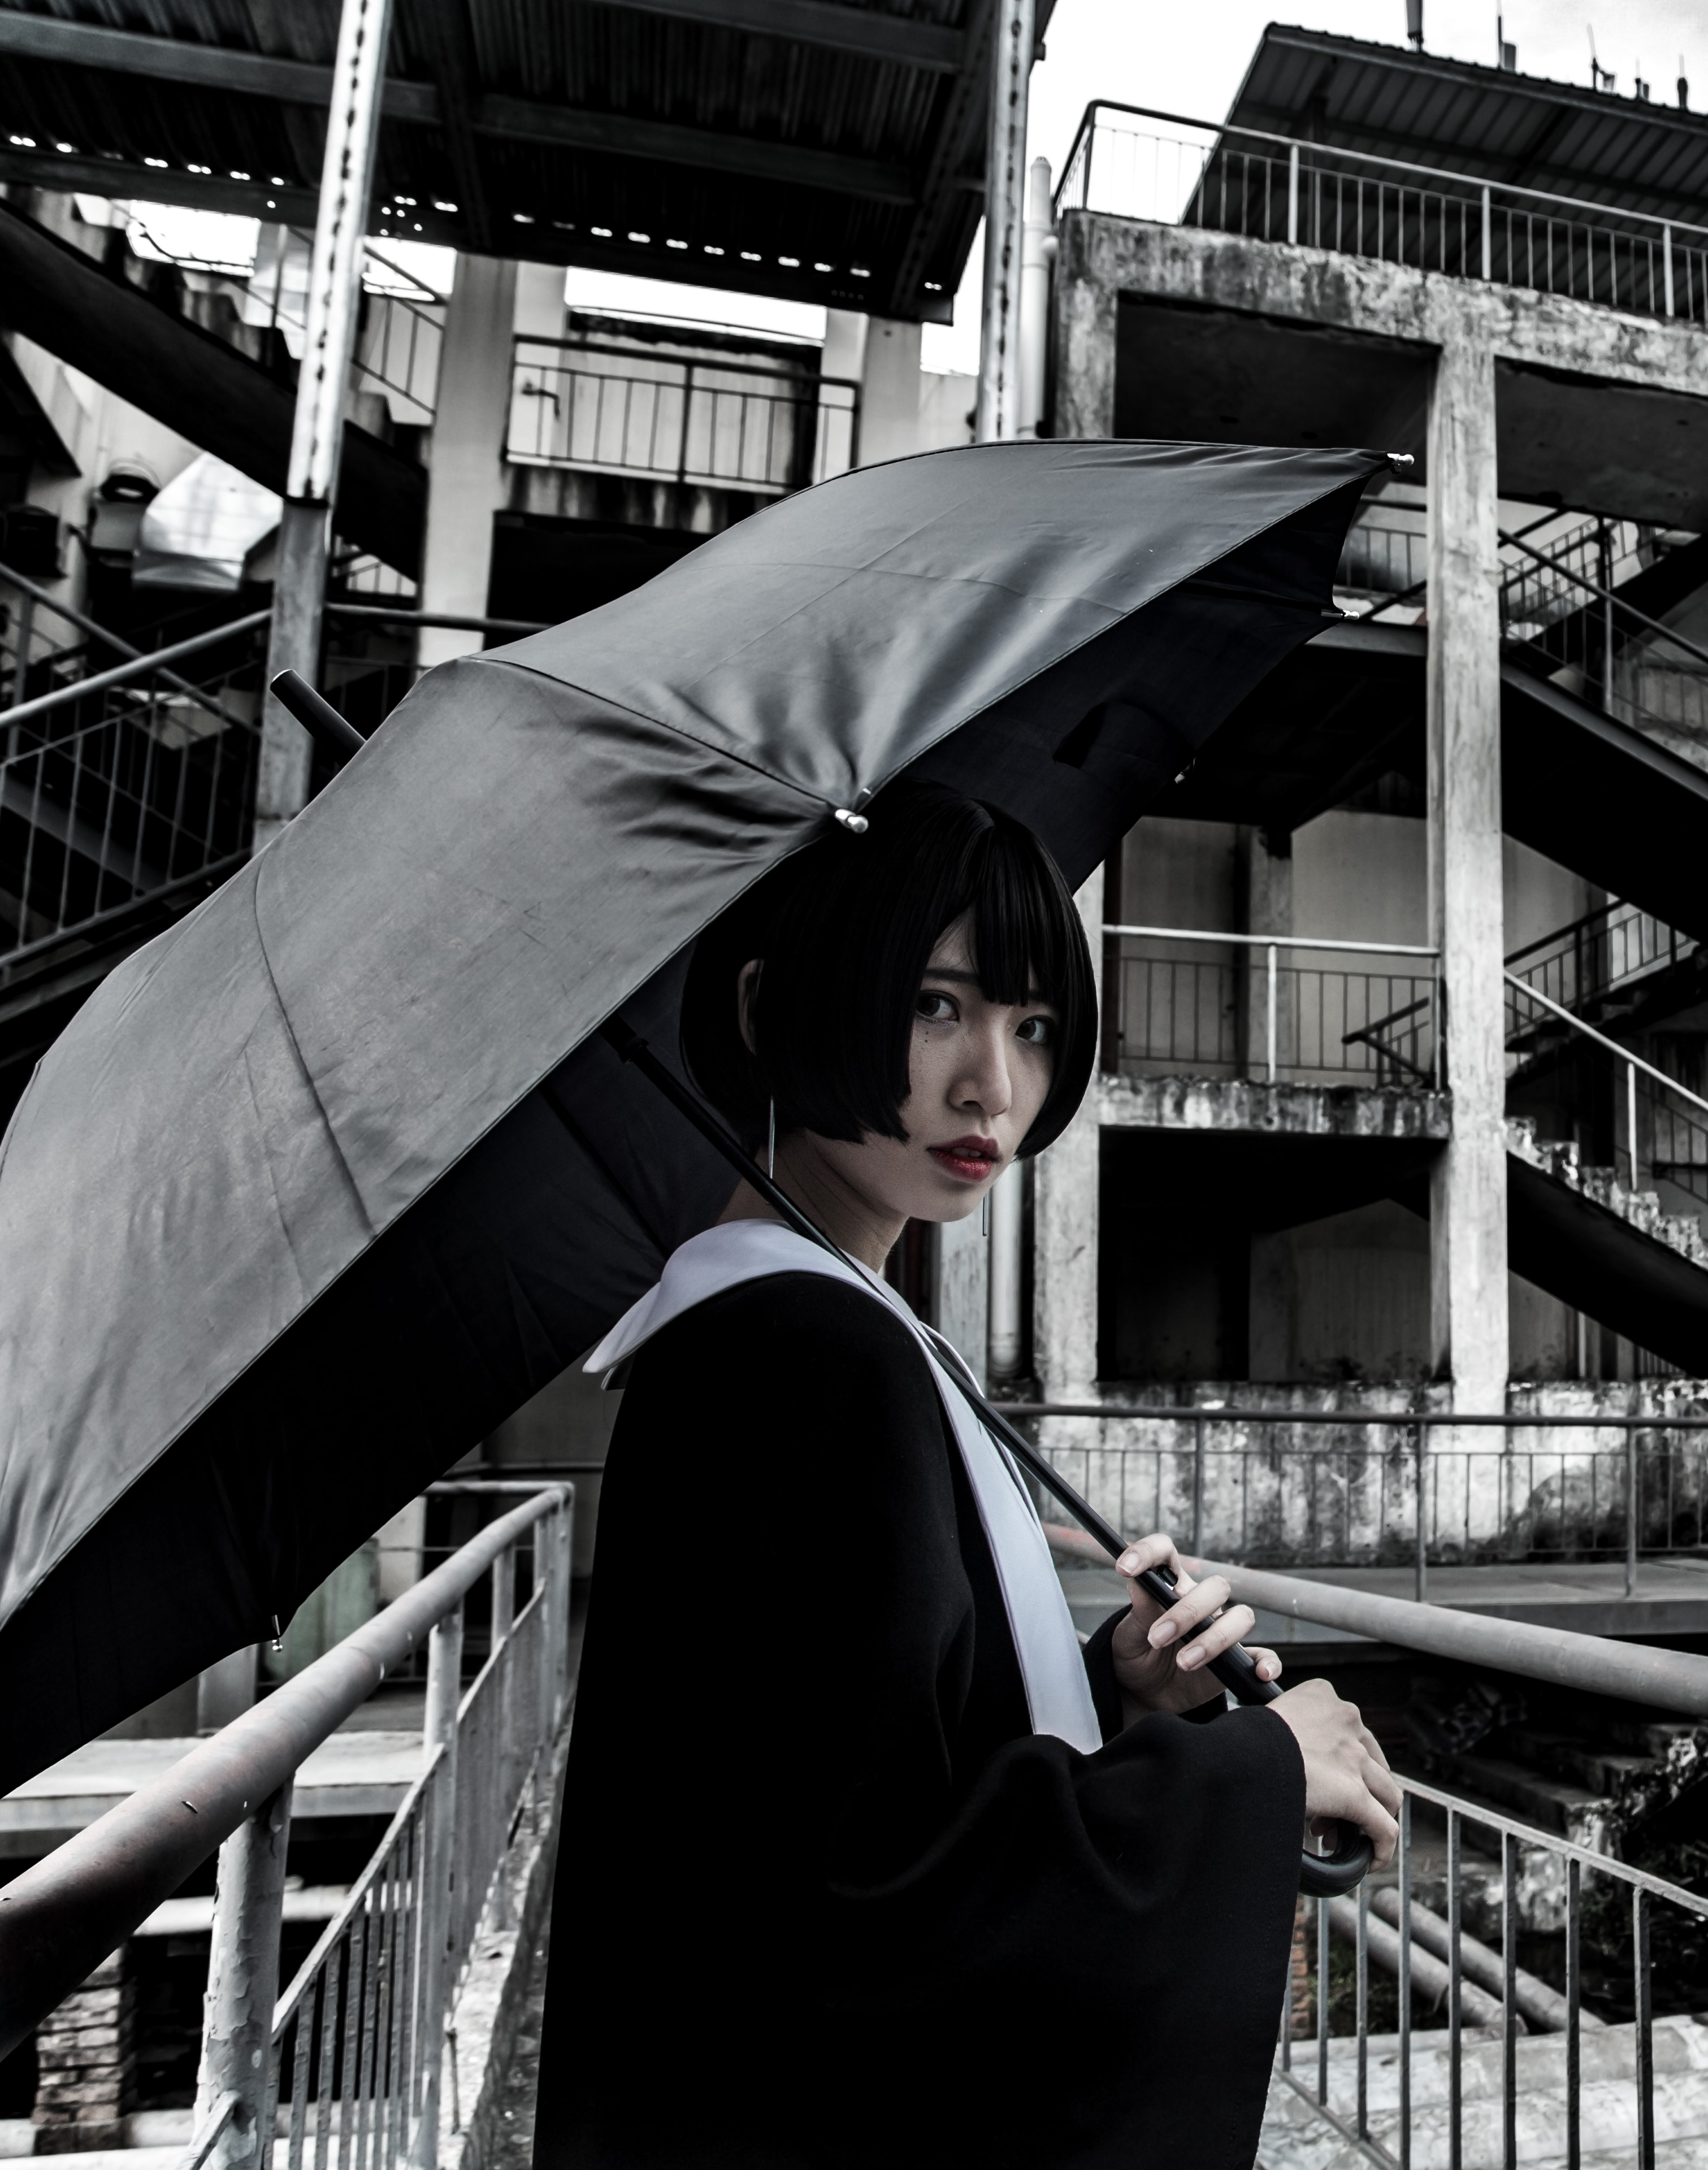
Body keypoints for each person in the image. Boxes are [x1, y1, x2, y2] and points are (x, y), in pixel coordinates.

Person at [536, 787, 1401, 2168]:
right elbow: (858, 1906)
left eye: (1034, 1025)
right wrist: (1253, 1774)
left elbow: (851, 1771)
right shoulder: (807, 1354)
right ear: (768, 1011)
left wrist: (1119, 1694)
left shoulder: (809, 1330)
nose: (993, 1085)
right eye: (935, 1006)